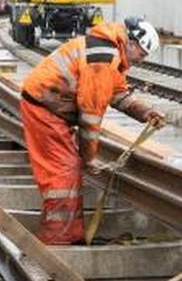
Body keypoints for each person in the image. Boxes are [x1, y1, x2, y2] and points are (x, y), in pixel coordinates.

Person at [19, 16, 165, 244]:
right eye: (142, 54)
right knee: (63, 173)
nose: (141, 60)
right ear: (132, 43)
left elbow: (117, 92)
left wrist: (144, 112)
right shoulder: (103, 58)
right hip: (44, 109)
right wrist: (89, 158)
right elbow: (90, 117)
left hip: (51, 106)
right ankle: (58, 239)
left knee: (68, 169)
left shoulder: (110, 53)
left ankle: (70, 234)